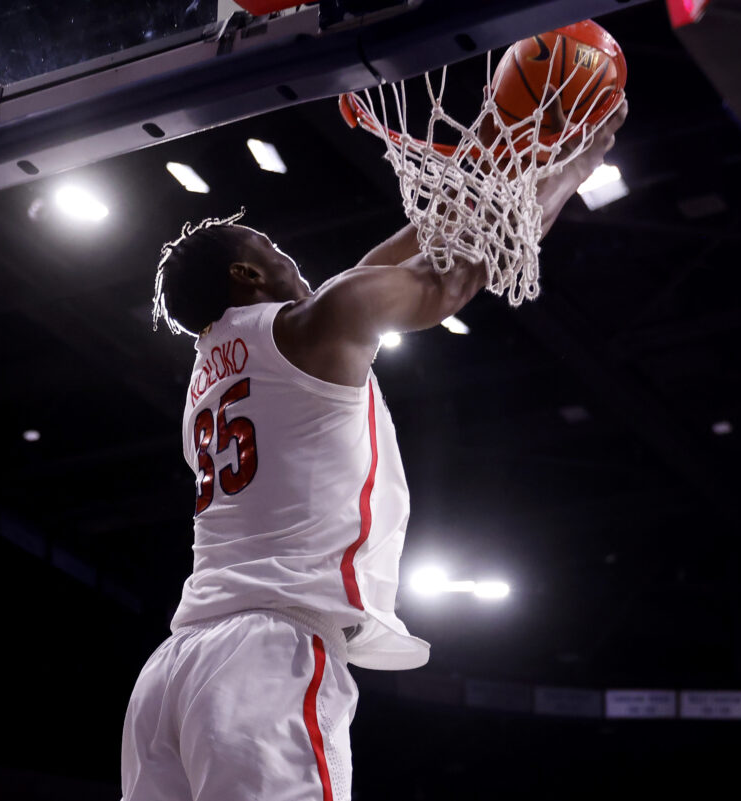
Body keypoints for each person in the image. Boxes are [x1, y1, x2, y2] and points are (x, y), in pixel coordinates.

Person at [121, 100, 628, 801]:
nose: (289, 254)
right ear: (245, 274)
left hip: (173, 671)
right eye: (271, 246)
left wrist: (490, 163)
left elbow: (365, 274)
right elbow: (458, 273)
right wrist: (574, 163)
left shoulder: (210, 378)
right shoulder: (310, 327)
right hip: (263, 652)